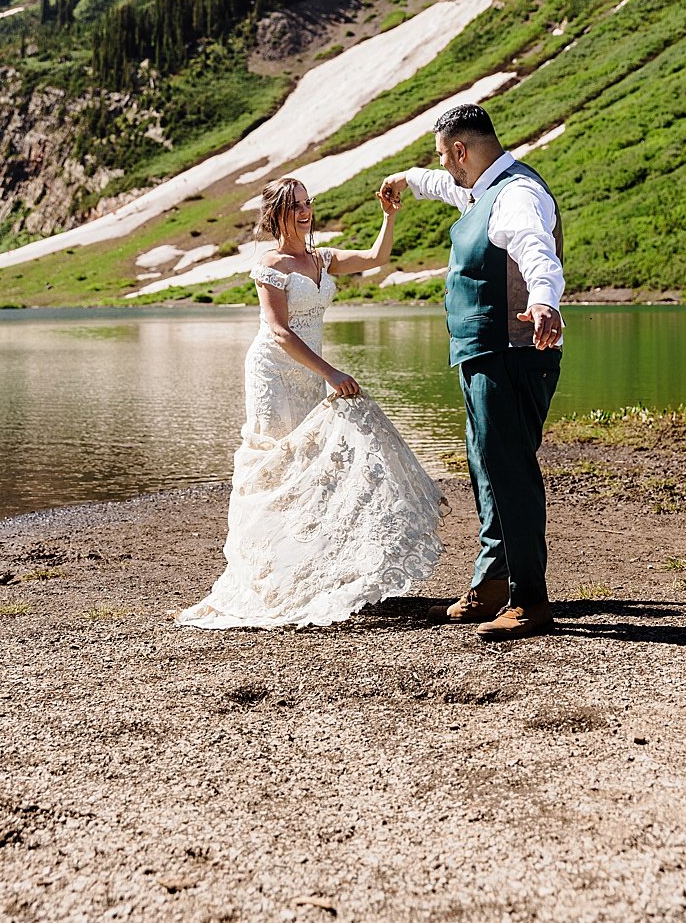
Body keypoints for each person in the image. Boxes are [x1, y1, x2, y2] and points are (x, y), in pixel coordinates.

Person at [175, 175, 444, 629]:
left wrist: (388, 217)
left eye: (308, 202)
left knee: (305, 468)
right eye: (295, 205)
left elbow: (377, 258)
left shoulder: (321, 258)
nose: (305, 211)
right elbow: (279, 332)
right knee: (274, 466)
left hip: (308, 372)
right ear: (276, 213)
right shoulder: (271, 263)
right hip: (273, 372)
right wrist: (332, 373)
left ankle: (301, 571)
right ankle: (262, 575)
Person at [381, 102, 564, 641]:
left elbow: (536, 251)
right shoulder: (482, 188)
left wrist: (545, 302)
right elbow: (445, 189)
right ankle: (492, 584)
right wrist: (406, 180)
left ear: (461, 150)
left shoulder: (516, 195)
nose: (445, 169)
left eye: (445, 158)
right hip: (483, 354)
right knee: (486, 470)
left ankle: (530, 601)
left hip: (510, 352)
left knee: (509, 472)